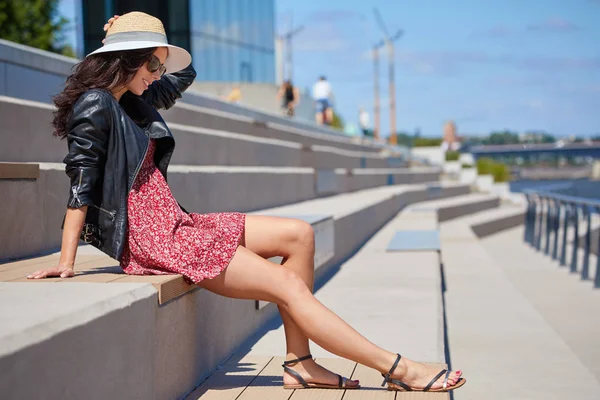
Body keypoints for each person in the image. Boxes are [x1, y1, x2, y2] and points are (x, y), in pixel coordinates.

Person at [27, 12, 465, 393]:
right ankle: (399, 367)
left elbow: (184, 74)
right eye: (153, 64)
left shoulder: (134, 99)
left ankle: (299, 364)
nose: (159, 75)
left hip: (177, 221)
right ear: (128, 60)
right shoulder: (96, 104)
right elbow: (80, 184)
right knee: (288, 287)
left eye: (159, 65)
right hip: (154, 237)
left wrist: (138, 39)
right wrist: (67, 260)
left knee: (299, 234)